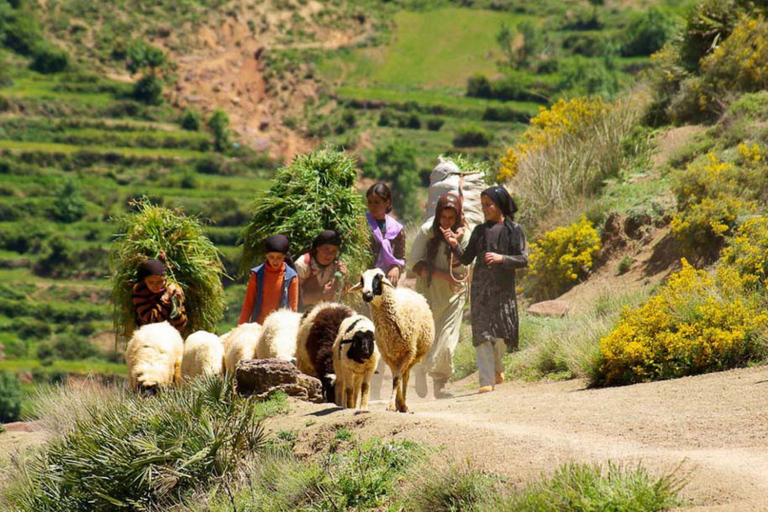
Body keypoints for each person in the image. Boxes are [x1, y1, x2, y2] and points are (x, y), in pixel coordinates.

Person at [441, 186, 528, 393]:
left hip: (503, 292)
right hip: (480, 290)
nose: (485, 209)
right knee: (482, 334)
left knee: (500, 337)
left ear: (500, 205)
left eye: (489, 204)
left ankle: (498, 368)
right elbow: (466, 258)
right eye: (482, 205)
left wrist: (502, 259)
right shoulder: (480, 231)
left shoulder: (514, 230)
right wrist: (454, 244)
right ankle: (486, 381)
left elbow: (523, 259)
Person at [409, 193, 469, 399]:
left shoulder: (464, 234)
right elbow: (415, 264)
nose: (446, 222)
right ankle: (419, 371)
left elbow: (466, 262)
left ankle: (440, 384)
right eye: (443, 217)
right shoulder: (428, 232)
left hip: (454, 295)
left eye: (451, 218)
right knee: (426, 338)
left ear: (458, 217)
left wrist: (456, 243)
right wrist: (443, 275)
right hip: (429, 293)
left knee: (447, 342)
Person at [239, 234, 299, 325]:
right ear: (266, 255)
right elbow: (248, 304)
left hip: (279, 328)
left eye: (279, 257)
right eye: (271, 257)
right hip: (258, 326)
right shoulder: (257, 275)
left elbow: (293, 308)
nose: (275, 261)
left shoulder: (291, 277)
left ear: (284, 256)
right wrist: (241, 327)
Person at [366, 182, 405, 286]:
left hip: (386, 280)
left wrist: (396, 267)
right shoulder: (362, 225)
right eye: (370, 202)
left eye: (376, 202)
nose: (372, 206)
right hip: (365, 279)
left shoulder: (396, 229)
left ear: (387, 203)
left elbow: (401, 257)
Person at [132, 259, 188, 332]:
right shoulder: (139, 290)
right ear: (144, 280)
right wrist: (166, 297)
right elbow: (151, 321)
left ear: (164, 278)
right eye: (150, 282)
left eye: (159, 282)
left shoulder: (174, 289)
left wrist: (175, 305)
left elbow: (181, 324)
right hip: (148, 333)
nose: (155, 286)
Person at [295, 230, 347, 308]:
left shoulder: (337, 267)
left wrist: (343, 278)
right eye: (326, 249)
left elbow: (340, 293)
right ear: (318, 248)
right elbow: (295, 298)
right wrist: (321, 295)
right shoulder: (302, 264)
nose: (329, 255)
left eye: (334, 251)